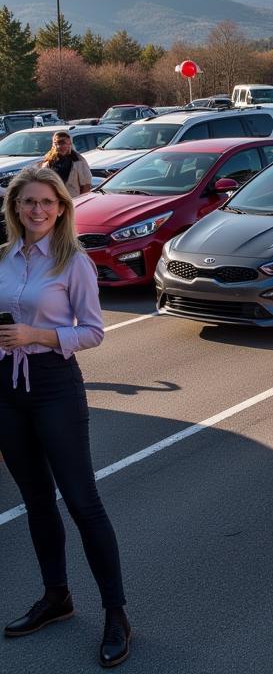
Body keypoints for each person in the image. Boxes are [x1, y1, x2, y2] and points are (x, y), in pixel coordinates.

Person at [0, 166, 131, 668]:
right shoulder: (5, 259)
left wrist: (39, 337)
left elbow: (93, 331)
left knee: (82, 502)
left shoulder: (74, 262)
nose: (36, 210)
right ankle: (57, 597)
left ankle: (116, 613)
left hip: (55, 387)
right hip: (7, 390)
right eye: (27, 202)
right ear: (15, 208)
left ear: (61, 208)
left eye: (46, 203)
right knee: (36, 502)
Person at [41, 131, 93, 197]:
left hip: (73, 200)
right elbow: (43, 184)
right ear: (54, 145)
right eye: (58, 144)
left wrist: (81, 201)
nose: (61, 147)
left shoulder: (78, 161)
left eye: (64, 144)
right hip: (54, 201)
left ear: (70, 144)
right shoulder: (48, 162)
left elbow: (86, 185)